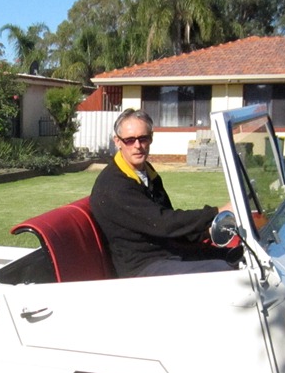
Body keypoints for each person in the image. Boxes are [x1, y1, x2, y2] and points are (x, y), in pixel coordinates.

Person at [90, 109, 237, 278]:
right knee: (225, 271)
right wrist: (216, 213)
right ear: (118, 141)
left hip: (168, 252)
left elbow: (167, 221)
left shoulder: (146, 172)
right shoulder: (115, 185)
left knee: (237, 257)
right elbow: (163, 223)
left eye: (143, 138)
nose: (137, 146)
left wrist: (205, 232)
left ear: (151, 138)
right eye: (130, 140)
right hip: (142, 267)